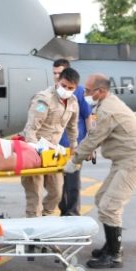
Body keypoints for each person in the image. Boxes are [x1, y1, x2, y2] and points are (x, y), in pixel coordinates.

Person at [65, 73, 136, 269]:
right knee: (101, 198)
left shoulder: (108, 111)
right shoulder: (106, 104)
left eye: (87, 91)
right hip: (123, 161)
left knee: (110, 206)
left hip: (133, 163)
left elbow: (94, 138)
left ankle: (114, 255)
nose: (84, 93)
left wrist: (75, 160)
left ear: (101, 91)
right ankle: (111, 245)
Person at [20, 66, 79, 217]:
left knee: (57, 193)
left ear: (75, 87)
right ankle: (34, 232)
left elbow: (72, 128)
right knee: (35, 197)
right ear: (58, 81)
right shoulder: (43, 99)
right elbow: (30, 129)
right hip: (34, 152)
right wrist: (34, 152)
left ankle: (45, 220)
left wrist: (74, 148)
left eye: (70, 87)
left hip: (53, 154)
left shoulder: (73, 102)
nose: (65, 89)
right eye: (63, 85)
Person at [53, 59, 92, 216]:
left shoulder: (78, 92)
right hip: (55, 147)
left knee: (72, 181)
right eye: (54, 73)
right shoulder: (50, 93)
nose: (56, 76)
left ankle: (73, 212)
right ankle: (63, 209)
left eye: (59, 73)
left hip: (73, 146)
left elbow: (88, 116)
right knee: (56, 184)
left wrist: (90, 143)